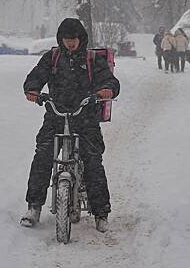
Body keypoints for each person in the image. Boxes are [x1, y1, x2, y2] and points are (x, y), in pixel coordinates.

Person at [21, 18, 120, 233]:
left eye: (73, 39)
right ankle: (34, 207)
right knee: (42, 156)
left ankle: (101, 212)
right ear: (61, 39)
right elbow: (36, 76)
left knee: (93, 161)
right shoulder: (53, 58)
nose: (70, 44)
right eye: (66, 40)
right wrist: (33, 90)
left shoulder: (92, 60)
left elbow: (110, 81)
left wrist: (106, 90)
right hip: (56, 115)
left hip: (85, 118)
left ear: (81, 38)